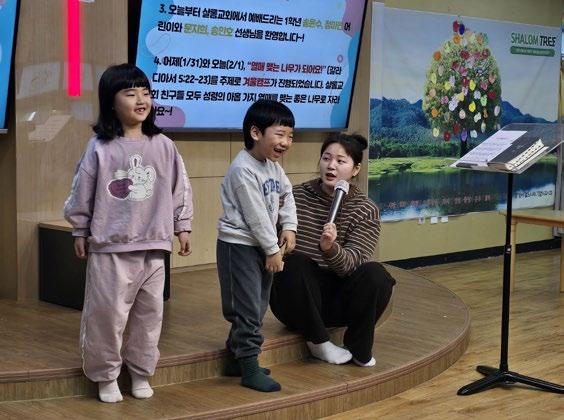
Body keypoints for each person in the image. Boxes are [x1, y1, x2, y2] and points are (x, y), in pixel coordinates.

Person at [63, 63, 193, 403]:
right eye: (130, 93)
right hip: (111, 248)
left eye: (146, 93)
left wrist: (182, 225)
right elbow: (82, 191)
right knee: (106, 317)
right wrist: (80, 229)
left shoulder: (164, 145)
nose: (141, 99)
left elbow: (180, 189)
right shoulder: (99, 147)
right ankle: (106, 375)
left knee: (149, 317)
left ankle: (140, 371)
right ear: (111, 101)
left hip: (153, 247)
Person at [270, 133, 396, 367]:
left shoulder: (365, 209)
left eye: (340, 161)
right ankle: (318, 342)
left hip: (339, 300)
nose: (331, 166)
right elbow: (271, 245)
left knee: (377, 274)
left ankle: (359, 347)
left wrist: (330, 249)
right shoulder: (294, 196)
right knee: (294, 262)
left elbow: (351, 265)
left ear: (356, 169)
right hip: (296, 299)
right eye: (326, 158)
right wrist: (270, 215)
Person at [216, 99, 297, 392]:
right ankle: (249, 369)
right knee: (247, 308)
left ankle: (236, 358)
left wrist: (289, 226)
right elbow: (256, 216)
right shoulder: (243, 169)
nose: (286, 142)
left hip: (261, 245)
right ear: (255, 132)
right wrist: (272, 250)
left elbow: (287, 195)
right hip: (238, 245)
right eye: (280, 134)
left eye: (290, 136)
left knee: (257, 305)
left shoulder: (273, 167)